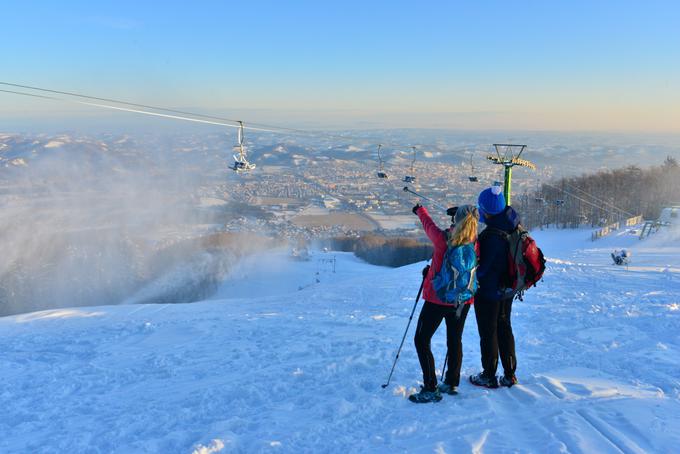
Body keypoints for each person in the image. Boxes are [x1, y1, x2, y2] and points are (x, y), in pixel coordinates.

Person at [409, 203, 479, 403]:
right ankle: (451, 382)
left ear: (455, 221)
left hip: (437, 299)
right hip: (463, 300)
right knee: (454, 340)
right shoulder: (474, 242)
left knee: (421, 340)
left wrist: (419, 210)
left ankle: (431, 388)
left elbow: (428, 225)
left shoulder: (443, 240)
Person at [469, 186, 521, 388]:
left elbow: (481, 270)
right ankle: (510, 374)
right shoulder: (511, 223)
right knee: (504, 327)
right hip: (507, 289)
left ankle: (489, 375)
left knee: (488, 332)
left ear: (486, 211)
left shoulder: (491, 237)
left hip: (489, 292)